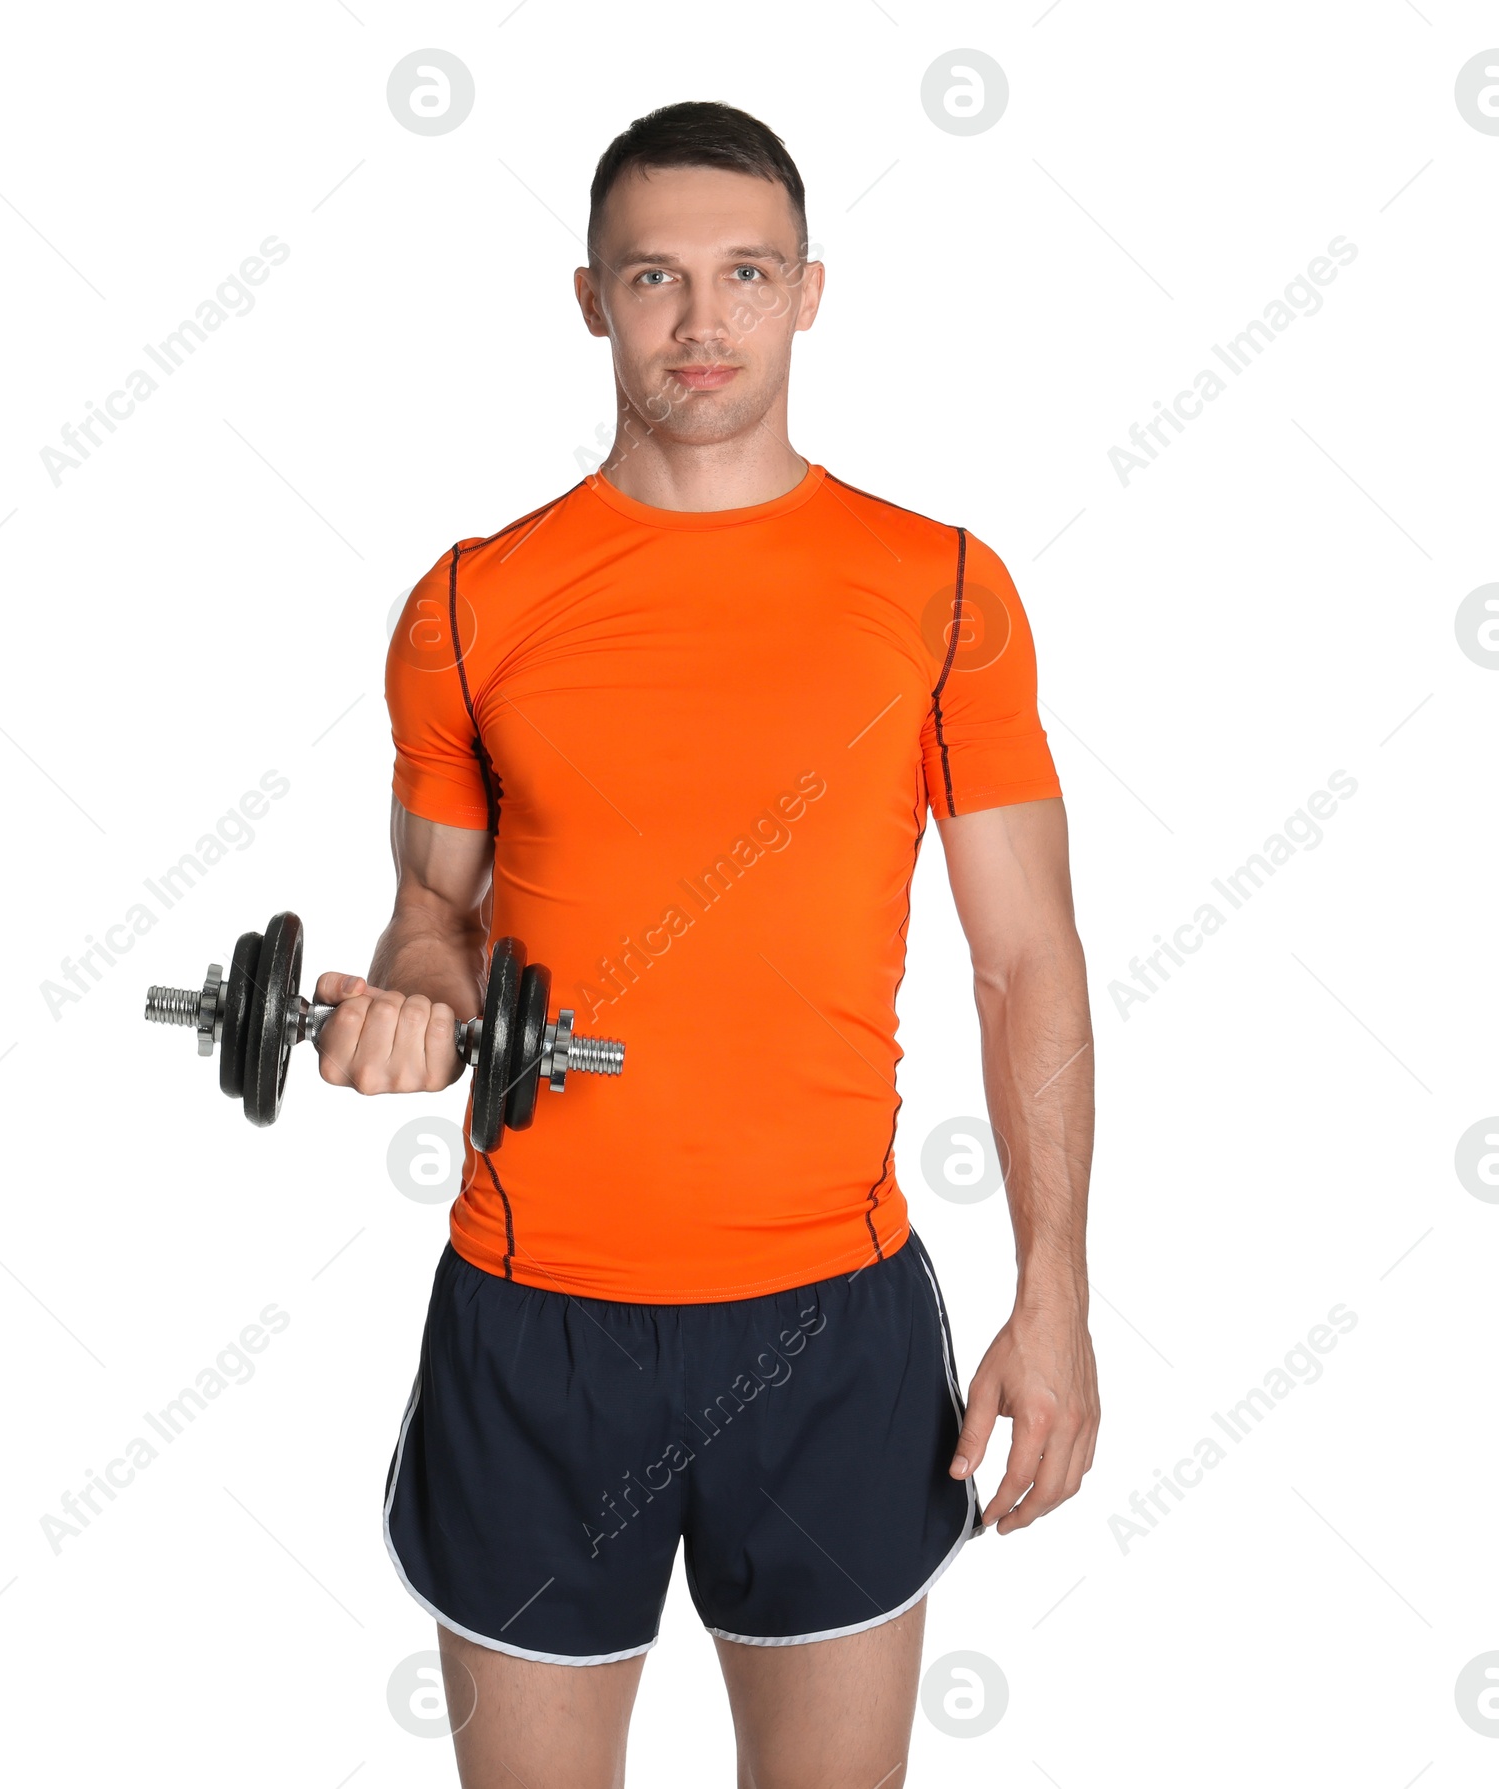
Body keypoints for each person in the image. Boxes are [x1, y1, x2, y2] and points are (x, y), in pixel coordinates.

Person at [315, 99, 1099, 1789]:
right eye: (654, 276)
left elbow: (1025, 959)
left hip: (832, 1319)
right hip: (537, 1323)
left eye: (745, 273)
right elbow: (432, 926)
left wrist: (1057, 1293)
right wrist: (405, 1011)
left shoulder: (943, 589)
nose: (701, 321)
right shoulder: (471, 603)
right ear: (590, 298)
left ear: (811, 292)